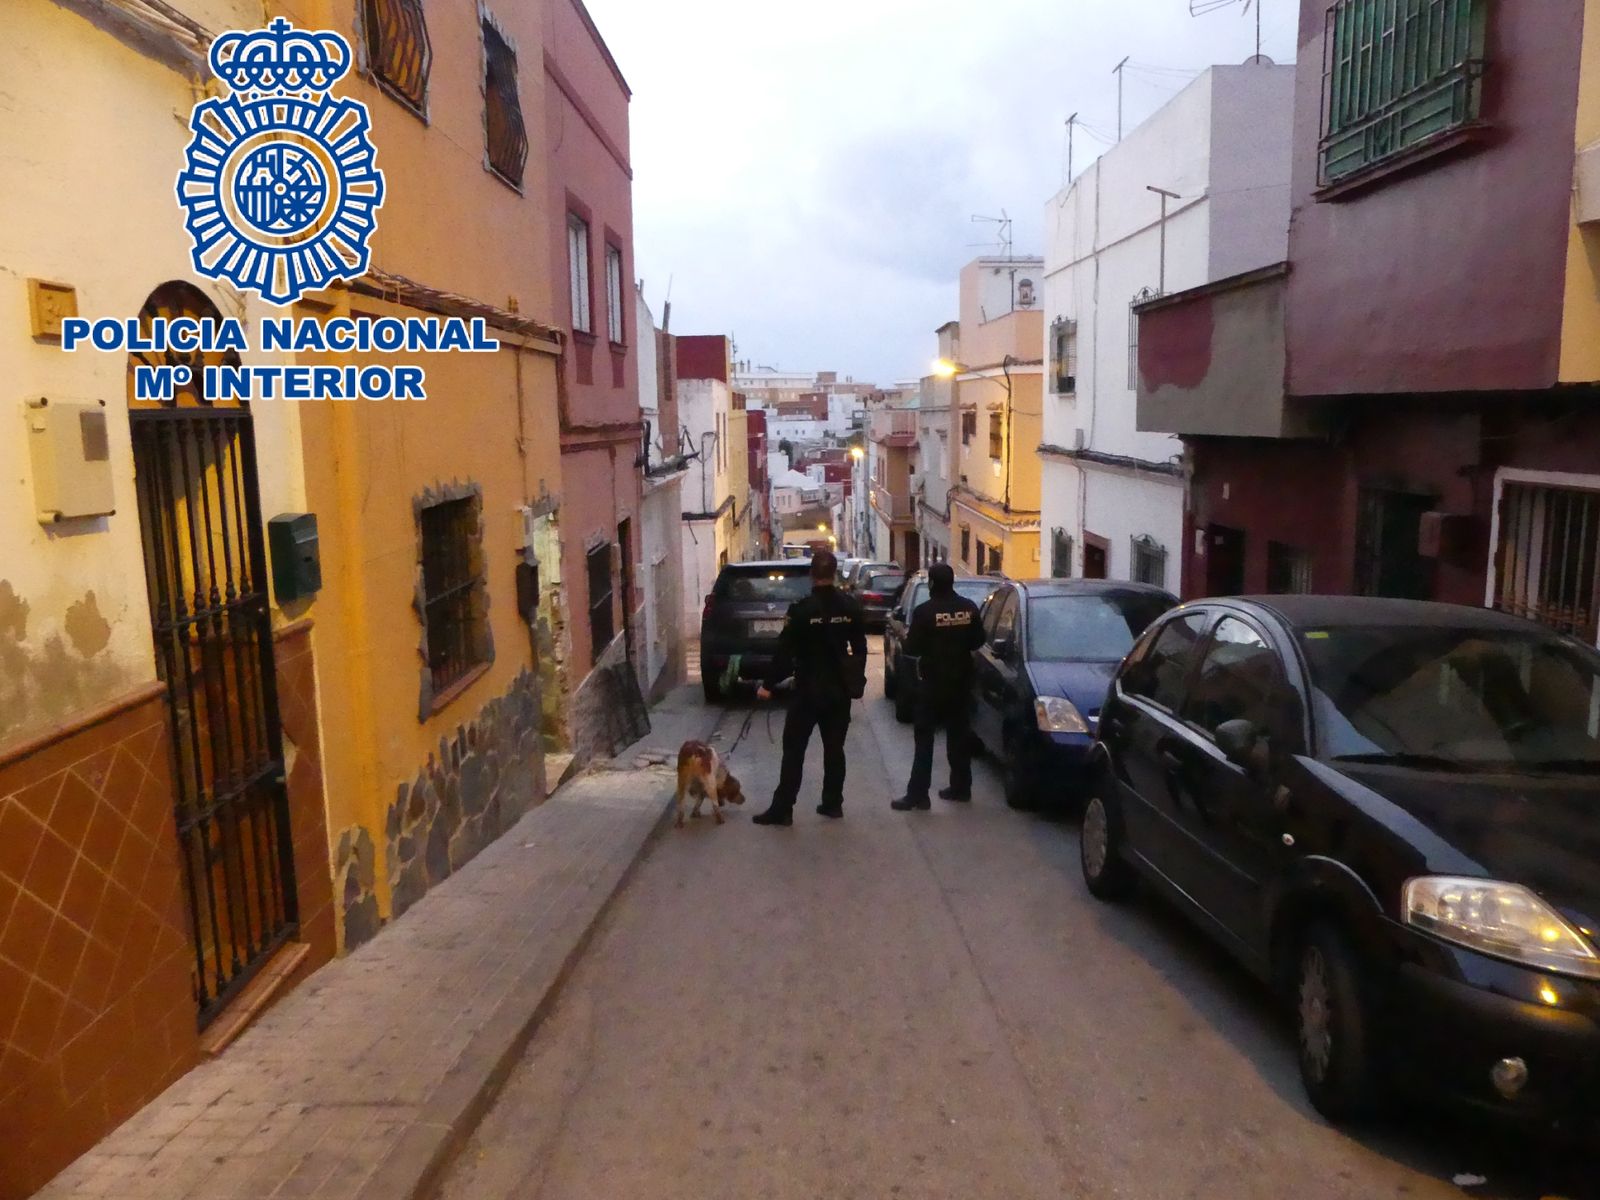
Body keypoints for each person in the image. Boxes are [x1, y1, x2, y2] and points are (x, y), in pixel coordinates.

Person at [753, 550, 867, 825]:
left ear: (812, 575)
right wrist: (855, 679)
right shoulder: (850, 607)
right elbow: (860, 648)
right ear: (835, 573)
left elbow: (784, 652)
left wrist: (768, 685)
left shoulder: (802, 610)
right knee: (835, 749)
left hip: (807, 691)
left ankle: (783, 809)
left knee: (794, 750)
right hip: (838, 690)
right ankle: (832, 803)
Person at [891, 563, 984, 811]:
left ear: (931, 584)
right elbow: (978, 641)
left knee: (924, 740)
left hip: (932, 685)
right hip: (962, 684)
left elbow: (911, 649)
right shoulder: (969, 608)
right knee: (959, 736)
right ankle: (961, 788)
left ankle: (919, 794)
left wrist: (901, 634)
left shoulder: (924, 612)